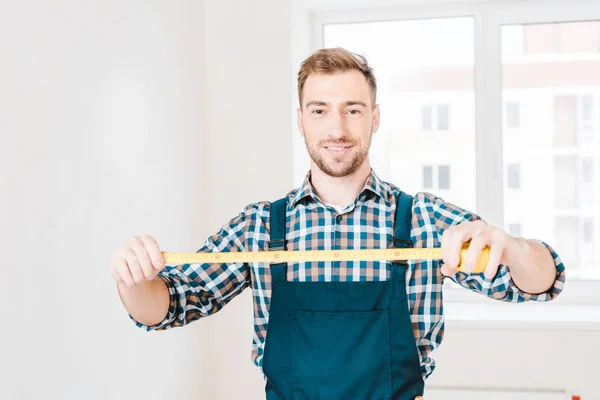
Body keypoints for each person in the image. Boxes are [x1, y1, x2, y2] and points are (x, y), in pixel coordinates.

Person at [109, 47, 566, 400]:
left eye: (353, 109)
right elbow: (172, 304)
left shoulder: (425, 220)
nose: (337, 128)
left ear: (375, 118)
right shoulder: (260, 228)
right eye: (319, 109)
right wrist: (133, 279)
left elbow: (541, 282)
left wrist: (511, 246)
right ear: (300, 121)